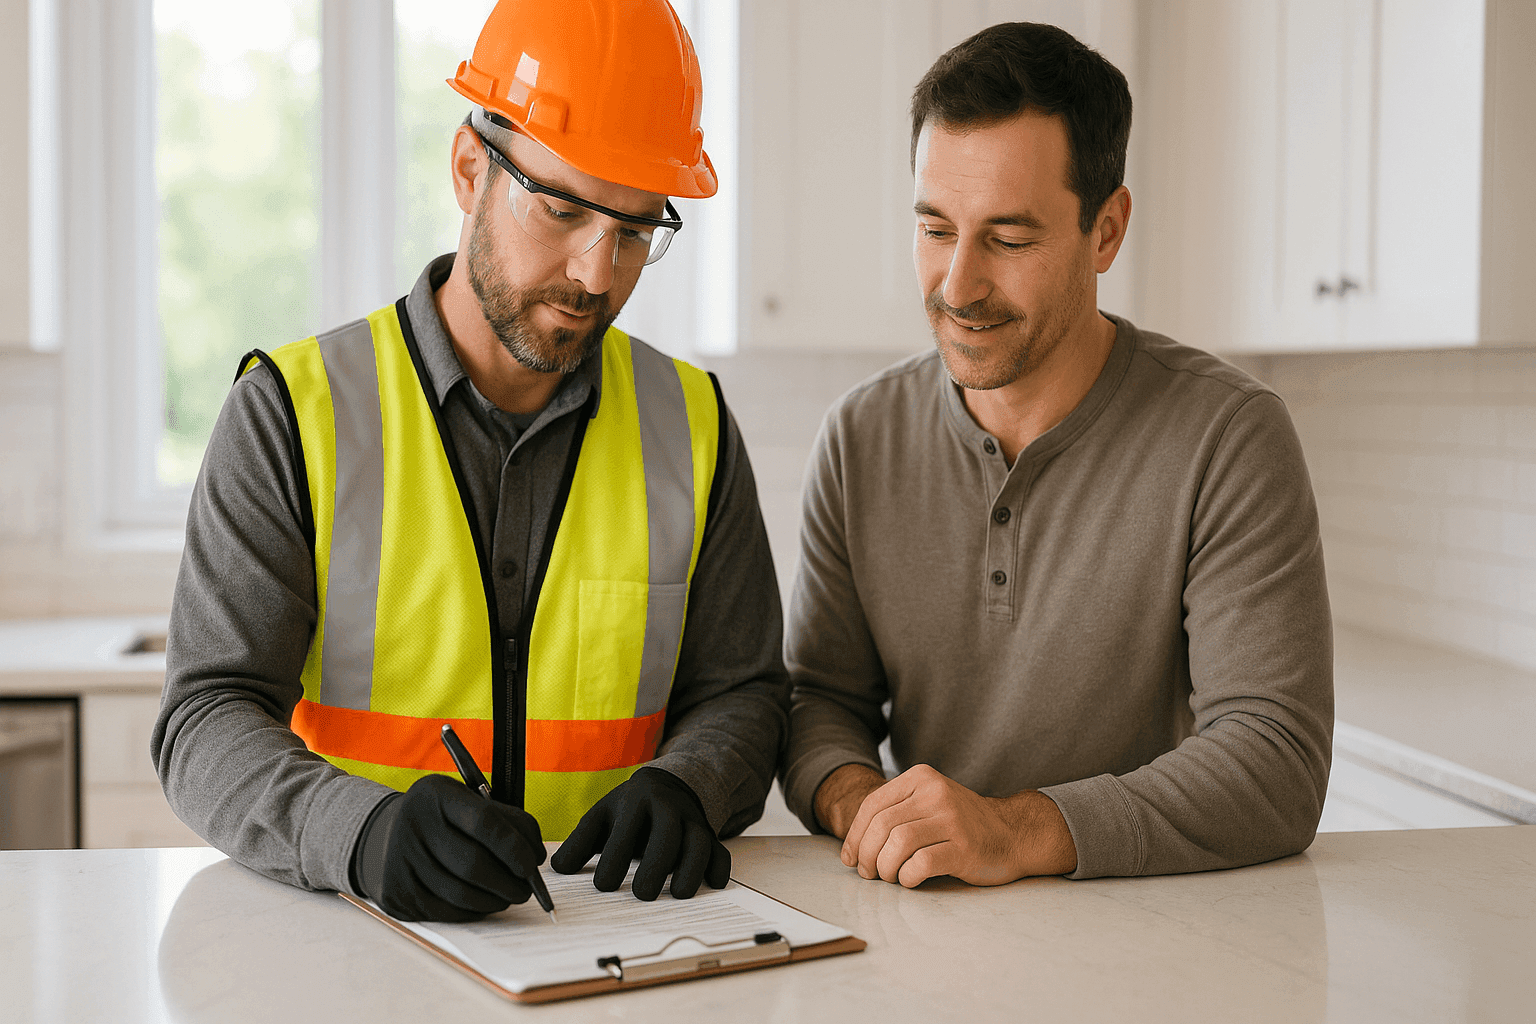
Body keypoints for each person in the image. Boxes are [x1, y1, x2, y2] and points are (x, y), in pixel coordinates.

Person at [152, 0, 788, 923]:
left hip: (617, 949)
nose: (596, 274)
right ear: (467, 169)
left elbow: (745, 692)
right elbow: (204, 717)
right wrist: (360, 834)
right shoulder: (292, 413)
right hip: (355, 942)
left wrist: (693, 782)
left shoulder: (692, 423)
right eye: (564, 207)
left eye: (637, 231)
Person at [781, 22, 1333, 886]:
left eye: (1008, 239)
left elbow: (1275, 759)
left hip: (1157, 929)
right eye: (935, 229)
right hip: (929, 923)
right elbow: (820, 704)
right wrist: (871, 810)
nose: (957, 286)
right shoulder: (859, 438)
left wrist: (1009, 833)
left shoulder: (1229, 435)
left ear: (1105, 231)